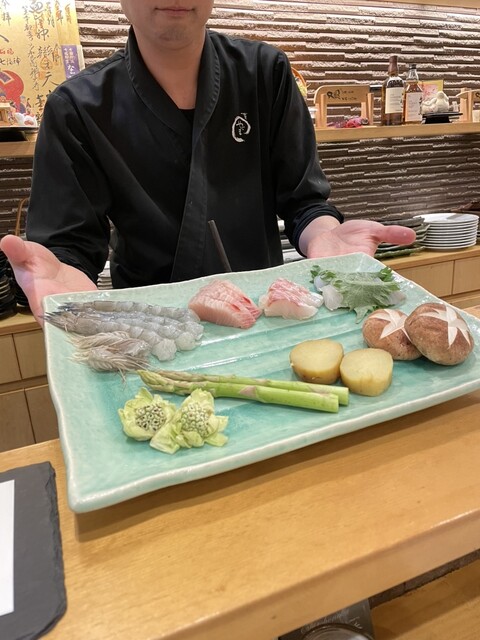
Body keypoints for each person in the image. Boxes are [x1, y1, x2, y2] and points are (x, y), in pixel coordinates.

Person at [0, 0, 415, 325]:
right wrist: (64, 276)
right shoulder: (77, 107)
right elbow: (68, 248)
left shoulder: (265, 72)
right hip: (155, 328)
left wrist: (326, 235)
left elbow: (303, 201)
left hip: (265, 315)